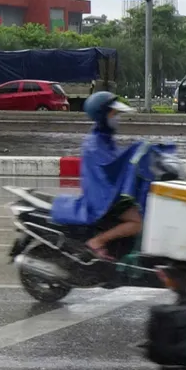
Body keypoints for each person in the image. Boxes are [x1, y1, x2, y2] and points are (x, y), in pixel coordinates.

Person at [50, 91, 143, 260]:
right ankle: (97, 242)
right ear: (102, 115)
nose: (117, 118)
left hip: (108, 193)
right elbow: (112, 168)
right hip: (102, 198)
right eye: (113, 113)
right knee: (137, 222)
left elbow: (118, 163)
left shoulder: (104, 138)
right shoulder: (95, 144)